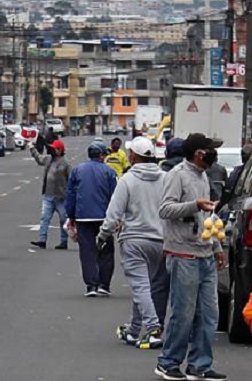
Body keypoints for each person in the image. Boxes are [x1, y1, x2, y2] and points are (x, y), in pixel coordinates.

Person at [154, 133, 227, 381]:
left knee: (209, 314)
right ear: (199, 153)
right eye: (210, 150)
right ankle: (168, 362)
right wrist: (194, 204)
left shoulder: (203, 175)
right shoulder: (177, 175)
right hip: (182, 252)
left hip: (205, 252)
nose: (213, 154)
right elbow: (165, 209)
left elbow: (206, 219)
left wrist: (217, 248)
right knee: (183, 312)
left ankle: (200, 365)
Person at [97, 137, 167, 350]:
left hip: (134, 240)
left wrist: (102, 235)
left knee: (140, 286)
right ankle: (134, 328)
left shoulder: (127, 180)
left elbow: (113, 213)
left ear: (135, 157)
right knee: (144, 287)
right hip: (160, 241)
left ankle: (154, 327)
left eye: (130, 153)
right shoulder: (165, 178)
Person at [65, 141, 118, 297]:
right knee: (106, 251)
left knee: (87, 252)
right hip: (104, 217)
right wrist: (116, 217)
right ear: (101, 155)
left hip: (83, 217)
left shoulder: (77, 170)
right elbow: (115, 197)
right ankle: (104, 284)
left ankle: (91, 285)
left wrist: (71, 216)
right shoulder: (109, 172)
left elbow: (71, 195)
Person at [29, 139, 71, 250]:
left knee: (63, 219)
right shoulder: (49, 159)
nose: (51, 150)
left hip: (61, 197)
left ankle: (63, 242)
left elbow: (71, 180)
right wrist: (32, 148)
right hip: (48, 195)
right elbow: (39, 159)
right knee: (44, 218)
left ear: (60, 150)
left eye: (54, 148)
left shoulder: (65, 163)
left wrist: (70, 194)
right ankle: (42, 240)